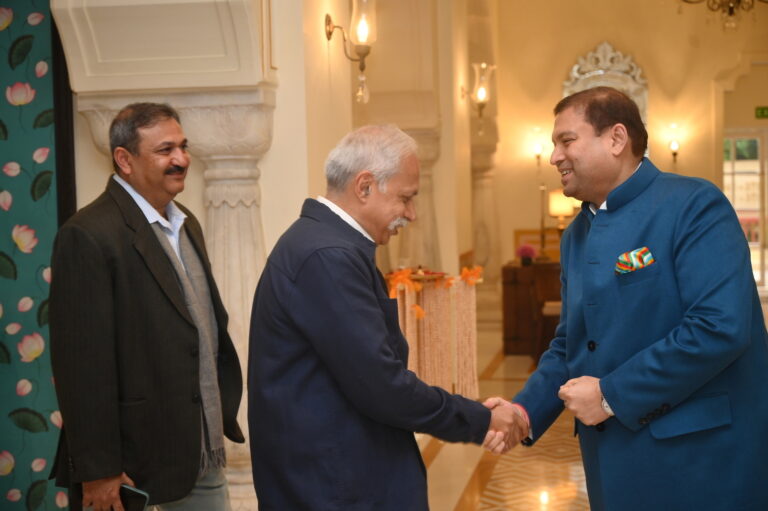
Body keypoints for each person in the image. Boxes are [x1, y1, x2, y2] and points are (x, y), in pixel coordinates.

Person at [495, 86, 768, 510]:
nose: (554, 157)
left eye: (567, 141)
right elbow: (570, 345)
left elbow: (720, 328)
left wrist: (609, 395)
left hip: (698, 462)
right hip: (611, 467)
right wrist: (524, 412)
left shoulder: (694, 205)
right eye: (554, 145)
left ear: (616, 139)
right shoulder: (575, 236)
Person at [247, 124, 526, 510]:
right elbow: (383, 387)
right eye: (405, 198)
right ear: (364, 187)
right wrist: (480, 419)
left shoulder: (326, 245)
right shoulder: (328, 257)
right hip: (335, 488)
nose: (410, 214)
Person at [49, 103, 245, 511]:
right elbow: (81, 367)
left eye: (183, 147)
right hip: (136, 469)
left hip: (200, 451)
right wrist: (98, 469)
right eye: (165, 150)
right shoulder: (87, 235)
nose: (181, 160)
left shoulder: (186, 222)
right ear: (124, 159)